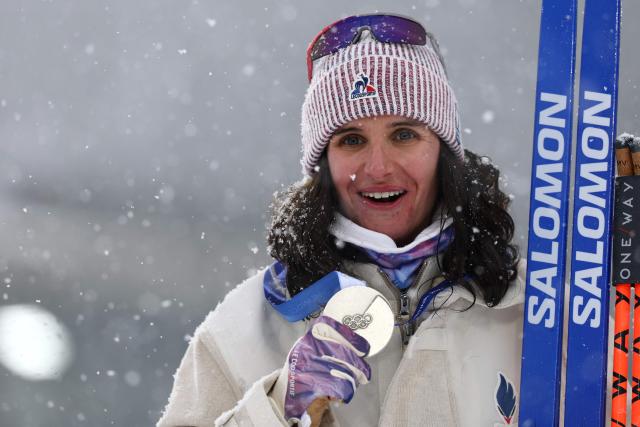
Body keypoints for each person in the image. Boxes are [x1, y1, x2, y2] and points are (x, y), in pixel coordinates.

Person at [157, 13, 524, 427]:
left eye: (404, 134)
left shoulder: (532, 314)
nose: (379, 167)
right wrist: (276, 412)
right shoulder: (242, 331)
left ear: (444, 152)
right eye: (352, 140)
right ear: (323, 165)